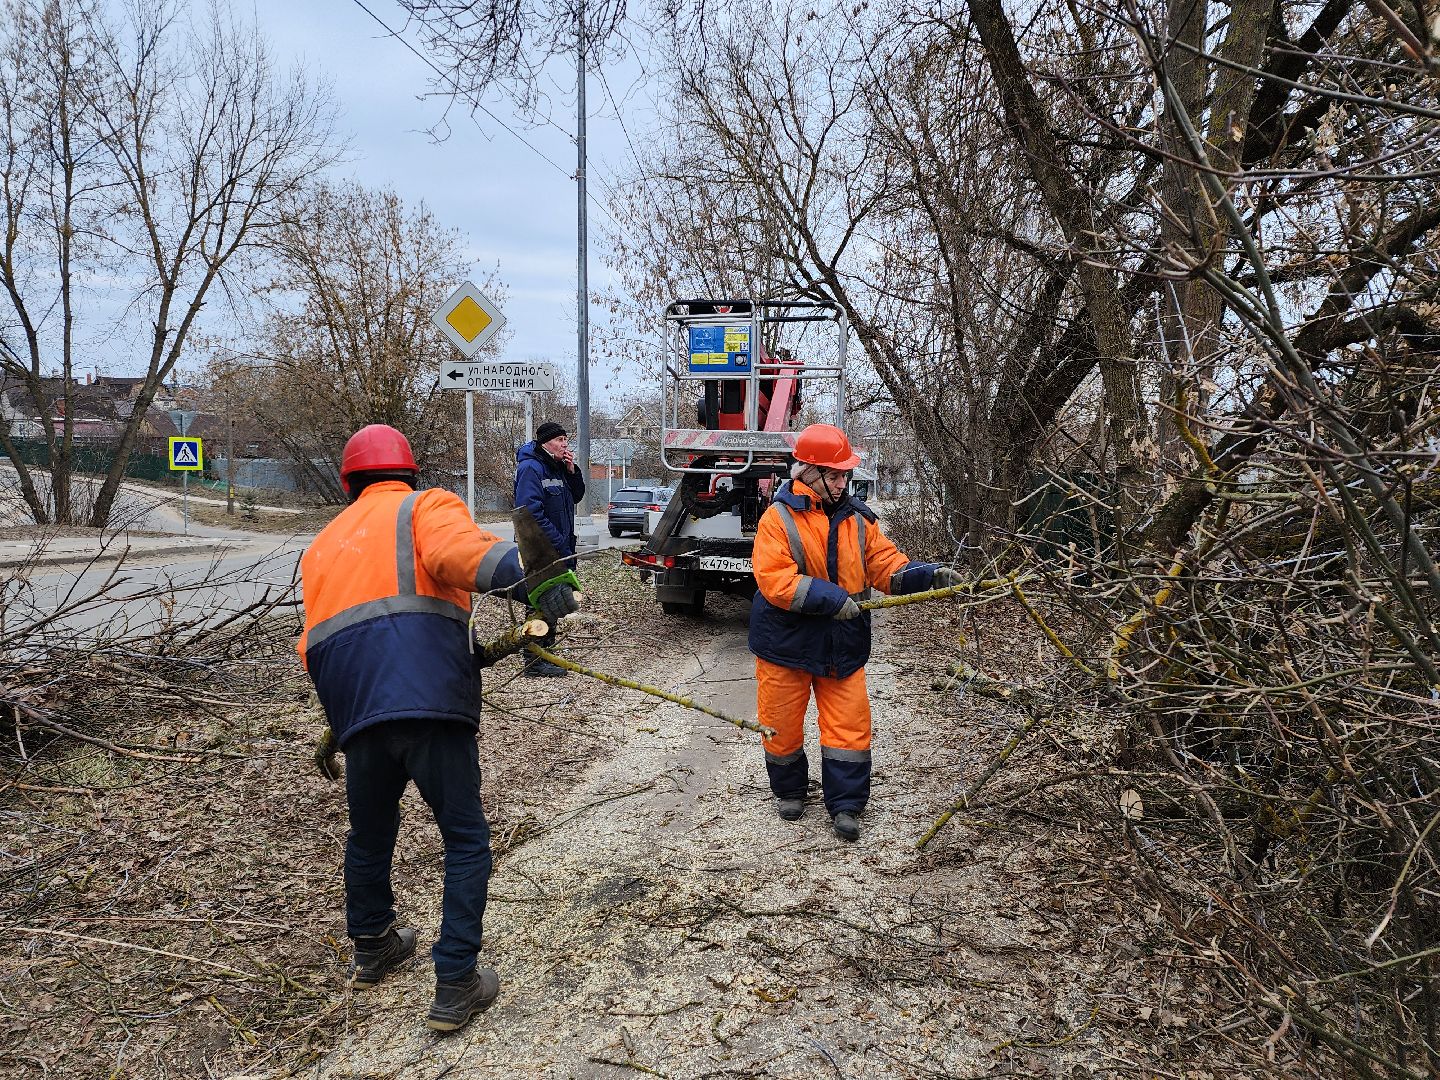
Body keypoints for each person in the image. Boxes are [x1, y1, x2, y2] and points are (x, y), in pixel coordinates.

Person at [298, 424, 577, 1032]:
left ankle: (372, 945)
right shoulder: (423, 506)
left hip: (355, 711)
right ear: (409, 472)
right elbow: (461, 555)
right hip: (429, 705)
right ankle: (455, 982)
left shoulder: (320, 546)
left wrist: (344, 718)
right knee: (465, 839)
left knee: (370, 835)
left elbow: (316, 643)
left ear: (350, 483)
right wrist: (536, 577)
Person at [748, 423, 962, 842]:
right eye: (834, 474)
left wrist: (927, 576)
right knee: (782, 724)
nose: (843, 481)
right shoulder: (777, 519)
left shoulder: (859, 521)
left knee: (849, 727)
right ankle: (789, 791)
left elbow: (887, 567)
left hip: (841, 644)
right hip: (785, 644)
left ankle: (846, 806)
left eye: (845, 473)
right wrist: (831, 599)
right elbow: (775, 580)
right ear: (807, 473)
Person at [514, 421, 586, 677]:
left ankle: (546, 654)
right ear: (546, 443)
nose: (565, 444)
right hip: (541, 548)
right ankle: (533, 660)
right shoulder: (532, 467)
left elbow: (576, 496)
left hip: (559, 546)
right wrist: (557, 543)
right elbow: (530, 511)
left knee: (554, 600)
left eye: (566, 439)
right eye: (560, 440)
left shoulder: (557, 467)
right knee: (540, 599)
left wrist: (571, 469)